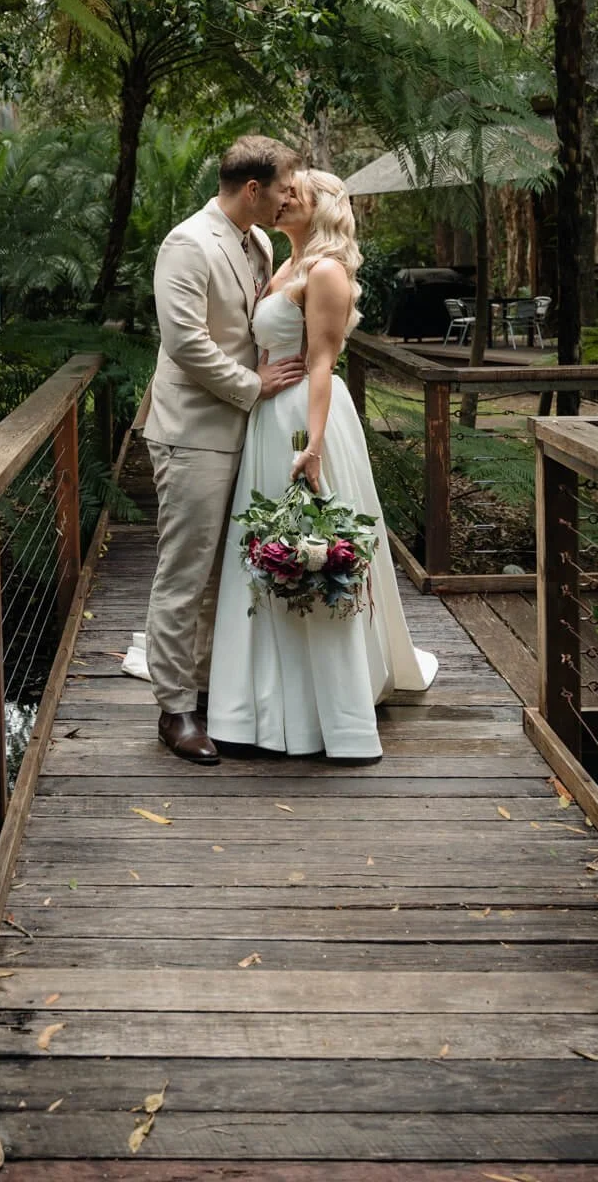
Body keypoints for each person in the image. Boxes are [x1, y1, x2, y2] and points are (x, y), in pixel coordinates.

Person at [206, 169, 438, 761]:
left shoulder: (327, 271)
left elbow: (321, 365)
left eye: (295, 195)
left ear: (322, 209)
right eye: (282, 192)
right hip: (267, 421)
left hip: (306, 425)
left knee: (312, 544)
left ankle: (329, 716)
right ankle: (255, 706)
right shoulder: (280, 263)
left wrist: (311, 447)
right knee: (264, 549)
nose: (282, 200)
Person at [143, 135, 306, 763]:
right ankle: (174, 709)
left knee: (227, 570)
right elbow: (184, 342)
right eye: (285, 187)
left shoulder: (261, 243)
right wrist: (252, 385)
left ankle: (213, 689)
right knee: (185, 570)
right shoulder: (186, 244)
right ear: (253, 190)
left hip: (252, 433)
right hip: (193, 432)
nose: (291, 197)